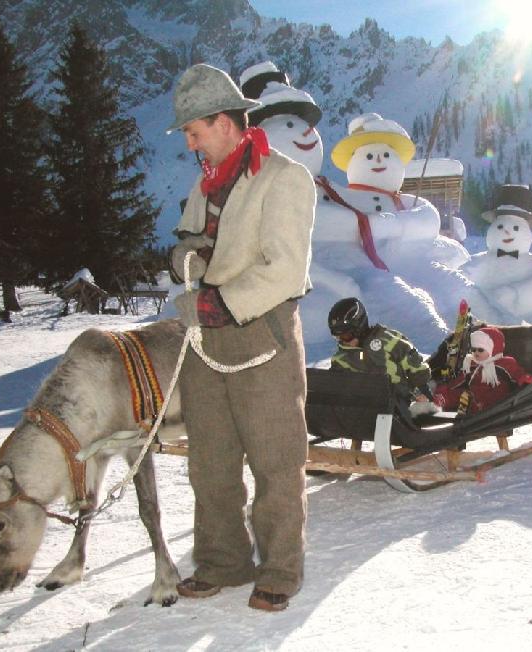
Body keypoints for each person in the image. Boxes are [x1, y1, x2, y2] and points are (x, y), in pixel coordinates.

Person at [167, 63, 315, 612]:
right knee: (210, 459)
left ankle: (280, 569)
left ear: (225, 122)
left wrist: (216, 300)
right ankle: (224, 562)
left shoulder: (285, 178)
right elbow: (186, 242)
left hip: (263, 335)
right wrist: (184, 255)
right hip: (206, 340)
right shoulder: (203, 182)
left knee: (276, 459)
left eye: (194, 129)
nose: (189, 140)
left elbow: (284, 269)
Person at [327, 297, 436, 413]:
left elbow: (416, 367)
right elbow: (338, 387)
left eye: (345, 336)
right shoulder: (341, 359)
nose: (343, 341)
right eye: (337, 337)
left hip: (400, 407)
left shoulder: (388, 340)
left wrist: (422, 391)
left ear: (359, 327)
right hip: (363, 412)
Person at [433, 326, 532, 415]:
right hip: (474, 396)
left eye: (480, 349)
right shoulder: (471, 365)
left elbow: (517, 373)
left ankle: (473, 408)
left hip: (497, 400)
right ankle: (442, 401)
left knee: (490, 394)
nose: (476, 352)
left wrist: (525, 379)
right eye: (474, 350)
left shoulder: (504, 363)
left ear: (492, 349)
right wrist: (442, 392)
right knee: (459, 392)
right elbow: (457, 382)